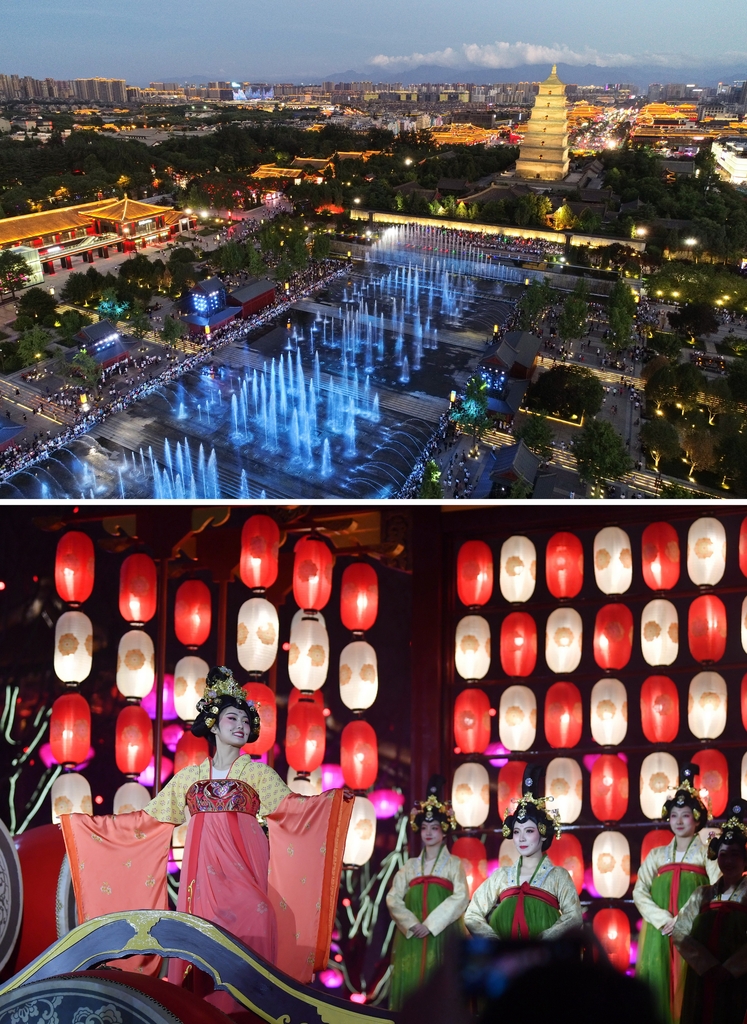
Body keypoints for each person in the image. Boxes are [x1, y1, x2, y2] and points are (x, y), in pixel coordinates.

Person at [60, 666, 352, 1011]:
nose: (241, 724)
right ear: (213, 724)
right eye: (232, 717)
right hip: (203, 884)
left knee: (259, 915)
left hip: (245, 876)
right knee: (201, 939)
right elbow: (145, 822)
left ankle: (248, 1011)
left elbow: (295, 810)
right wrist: (89, 827)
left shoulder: (257, 773)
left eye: (246, 719)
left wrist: (332, 802)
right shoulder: (190, 778)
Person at [634, 762, 719, 1024]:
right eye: (674, 815)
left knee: (690, 984)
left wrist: (683, 918)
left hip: (693, 929)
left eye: (685, 815)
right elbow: (640, 892)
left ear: (697, 818)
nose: (679, 821)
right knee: (661, 982)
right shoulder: (657, 855)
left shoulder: (707, 853)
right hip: (660, 931)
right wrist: (662, 919)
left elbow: (716, 888)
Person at [464, 765, 582, 940]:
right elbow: (472, 915)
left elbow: (574, 917)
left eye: (529, 831)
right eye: (517, 832)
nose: (521, 838)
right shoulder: (502, 876)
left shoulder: (558, 876)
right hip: (505, 957)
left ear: (542, 834)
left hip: (543, 956)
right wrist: (495, 941)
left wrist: (545, 939)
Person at [386, 776, 469, 1010]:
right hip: (412, 933)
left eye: (434, 828)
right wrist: (412, 923)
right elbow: (392, 897)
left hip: (440, 931)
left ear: (444, 832)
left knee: (440, 976)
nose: (429, 833)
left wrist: (431, 924)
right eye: (424, 828)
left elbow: (461, 896)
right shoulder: (409, 866)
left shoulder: (454, 864)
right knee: (413, 978)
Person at [673, 803, 747, 1024]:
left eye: (735, 854)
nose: (729, 860)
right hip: (703, 977)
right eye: (724, 854)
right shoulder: (702, 894)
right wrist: (708, 965)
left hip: (740, 978)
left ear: (745, 859)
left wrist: (730, 969)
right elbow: (680, 932)